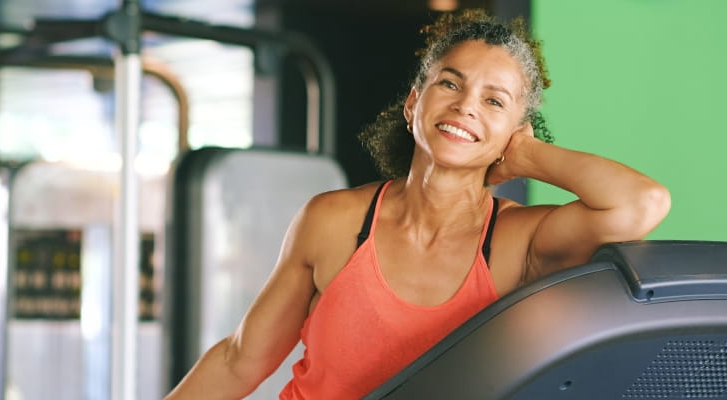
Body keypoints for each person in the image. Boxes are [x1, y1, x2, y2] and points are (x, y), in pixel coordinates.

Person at [164, 9, 670, 400]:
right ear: (413, 104)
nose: (465, 104)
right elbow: (239, 361)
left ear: (515, 130)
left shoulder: (519, 241)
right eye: (449, 83)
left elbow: (641, 204)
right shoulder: (334, 220)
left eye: (494, 101)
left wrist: (527, 154)